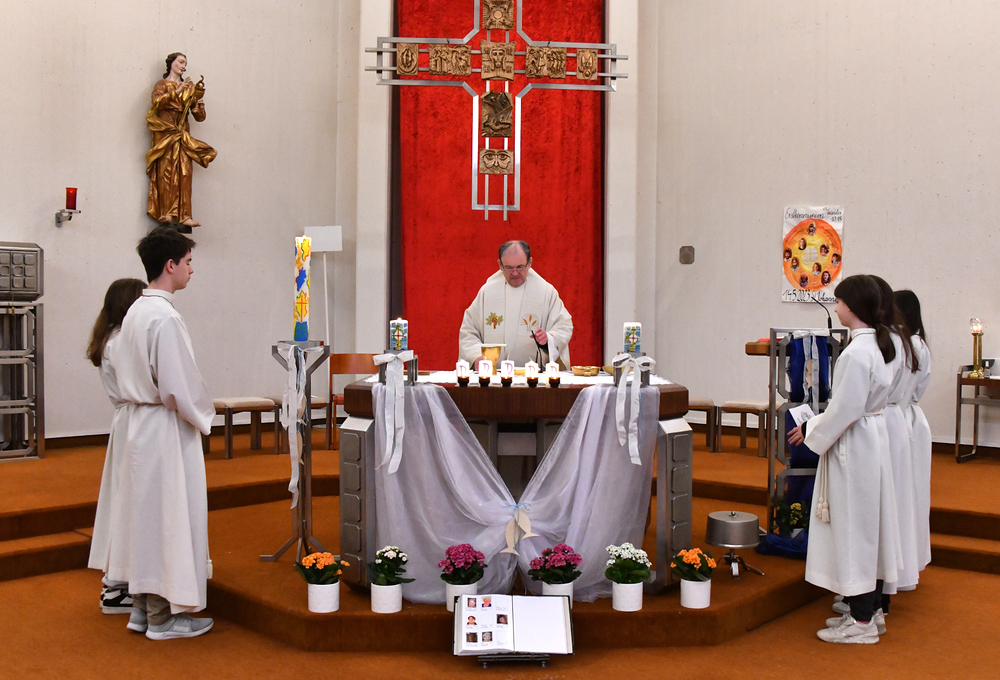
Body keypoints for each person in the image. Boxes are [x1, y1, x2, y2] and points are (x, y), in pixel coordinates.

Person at [108, 226, 216, 640]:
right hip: (163, 428)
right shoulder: (165, 317)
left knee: (145, 517)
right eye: (188, 261)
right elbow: (179, 385)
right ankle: (163, 617)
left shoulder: (136, 311)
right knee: (168, 517)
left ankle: (141, 607)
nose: (192, 269)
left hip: (140, 426)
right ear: (170, 265)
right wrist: (204, 415)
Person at [787, 274, 901, 644]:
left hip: (855, 444)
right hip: (871, 439)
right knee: (870, 527)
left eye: (838, 301)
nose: (835, 308)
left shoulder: (856, 352)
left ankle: (861, 622)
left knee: (854, 528)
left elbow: (846, 408)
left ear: (852, 306)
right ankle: (871, 610)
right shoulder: (880, 346)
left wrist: (810, 429)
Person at [86, 278, 147, 615]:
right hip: (134, 422)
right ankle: (116, 584)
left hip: (126, 421)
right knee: (128, 501)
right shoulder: (122, 340)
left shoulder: (109, 336)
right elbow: (142, 383)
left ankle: (119, 582)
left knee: (123, 498)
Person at [459, 241, 573, 368]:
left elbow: (563, 326)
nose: (514, 273)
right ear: (500, 265)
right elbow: (469, 331)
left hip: (533, 376)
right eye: (508, 268)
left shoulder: (546, 292)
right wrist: (476, 356)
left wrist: (548, 340)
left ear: (530, 263)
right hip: (493, 375)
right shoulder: (488, 291)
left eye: (520, 267)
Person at [146, 53, 217, 227]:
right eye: (181, 62)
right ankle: (167, 213)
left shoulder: (189, 87)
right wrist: (176, 92)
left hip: (182, 133)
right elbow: (156, 104)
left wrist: (198, 100)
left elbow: (199, 117)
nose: (184, 66)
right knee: (166, 172)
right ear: (171, 63)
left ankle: (185, 215)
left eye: (185, 63)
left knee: (185, 173)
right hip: (165, 133)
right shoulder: (162, 84)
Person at [895, 290, 932, 575]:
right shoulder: (916, 343)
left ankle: (903, 564)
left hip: (904, 419)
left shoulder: (909, 345)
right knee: (910, 492)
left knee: (905, 493)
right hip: (911, 418)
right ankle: (907, 562)